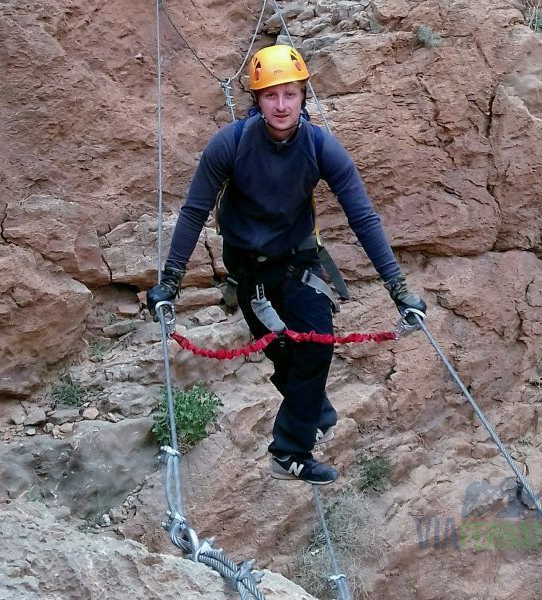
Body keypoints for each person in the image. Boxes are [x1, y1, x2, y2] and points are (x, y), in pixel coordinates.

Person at [147, 45, 426, 485]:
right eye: (271, 96)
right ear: (257, 99)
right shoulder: (231, 143)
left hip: (298, 259)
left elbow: (362, 215)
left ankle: (289, 452)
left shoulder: (320, 146)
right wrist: (171, 282)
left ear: (302, 97)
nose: (281, 106)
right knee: (281, 351)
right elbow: (195, 210)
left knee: (317, 340)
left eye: (290, 95)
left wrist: (398, 289)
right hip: (250, 269)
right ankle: (313, 408)